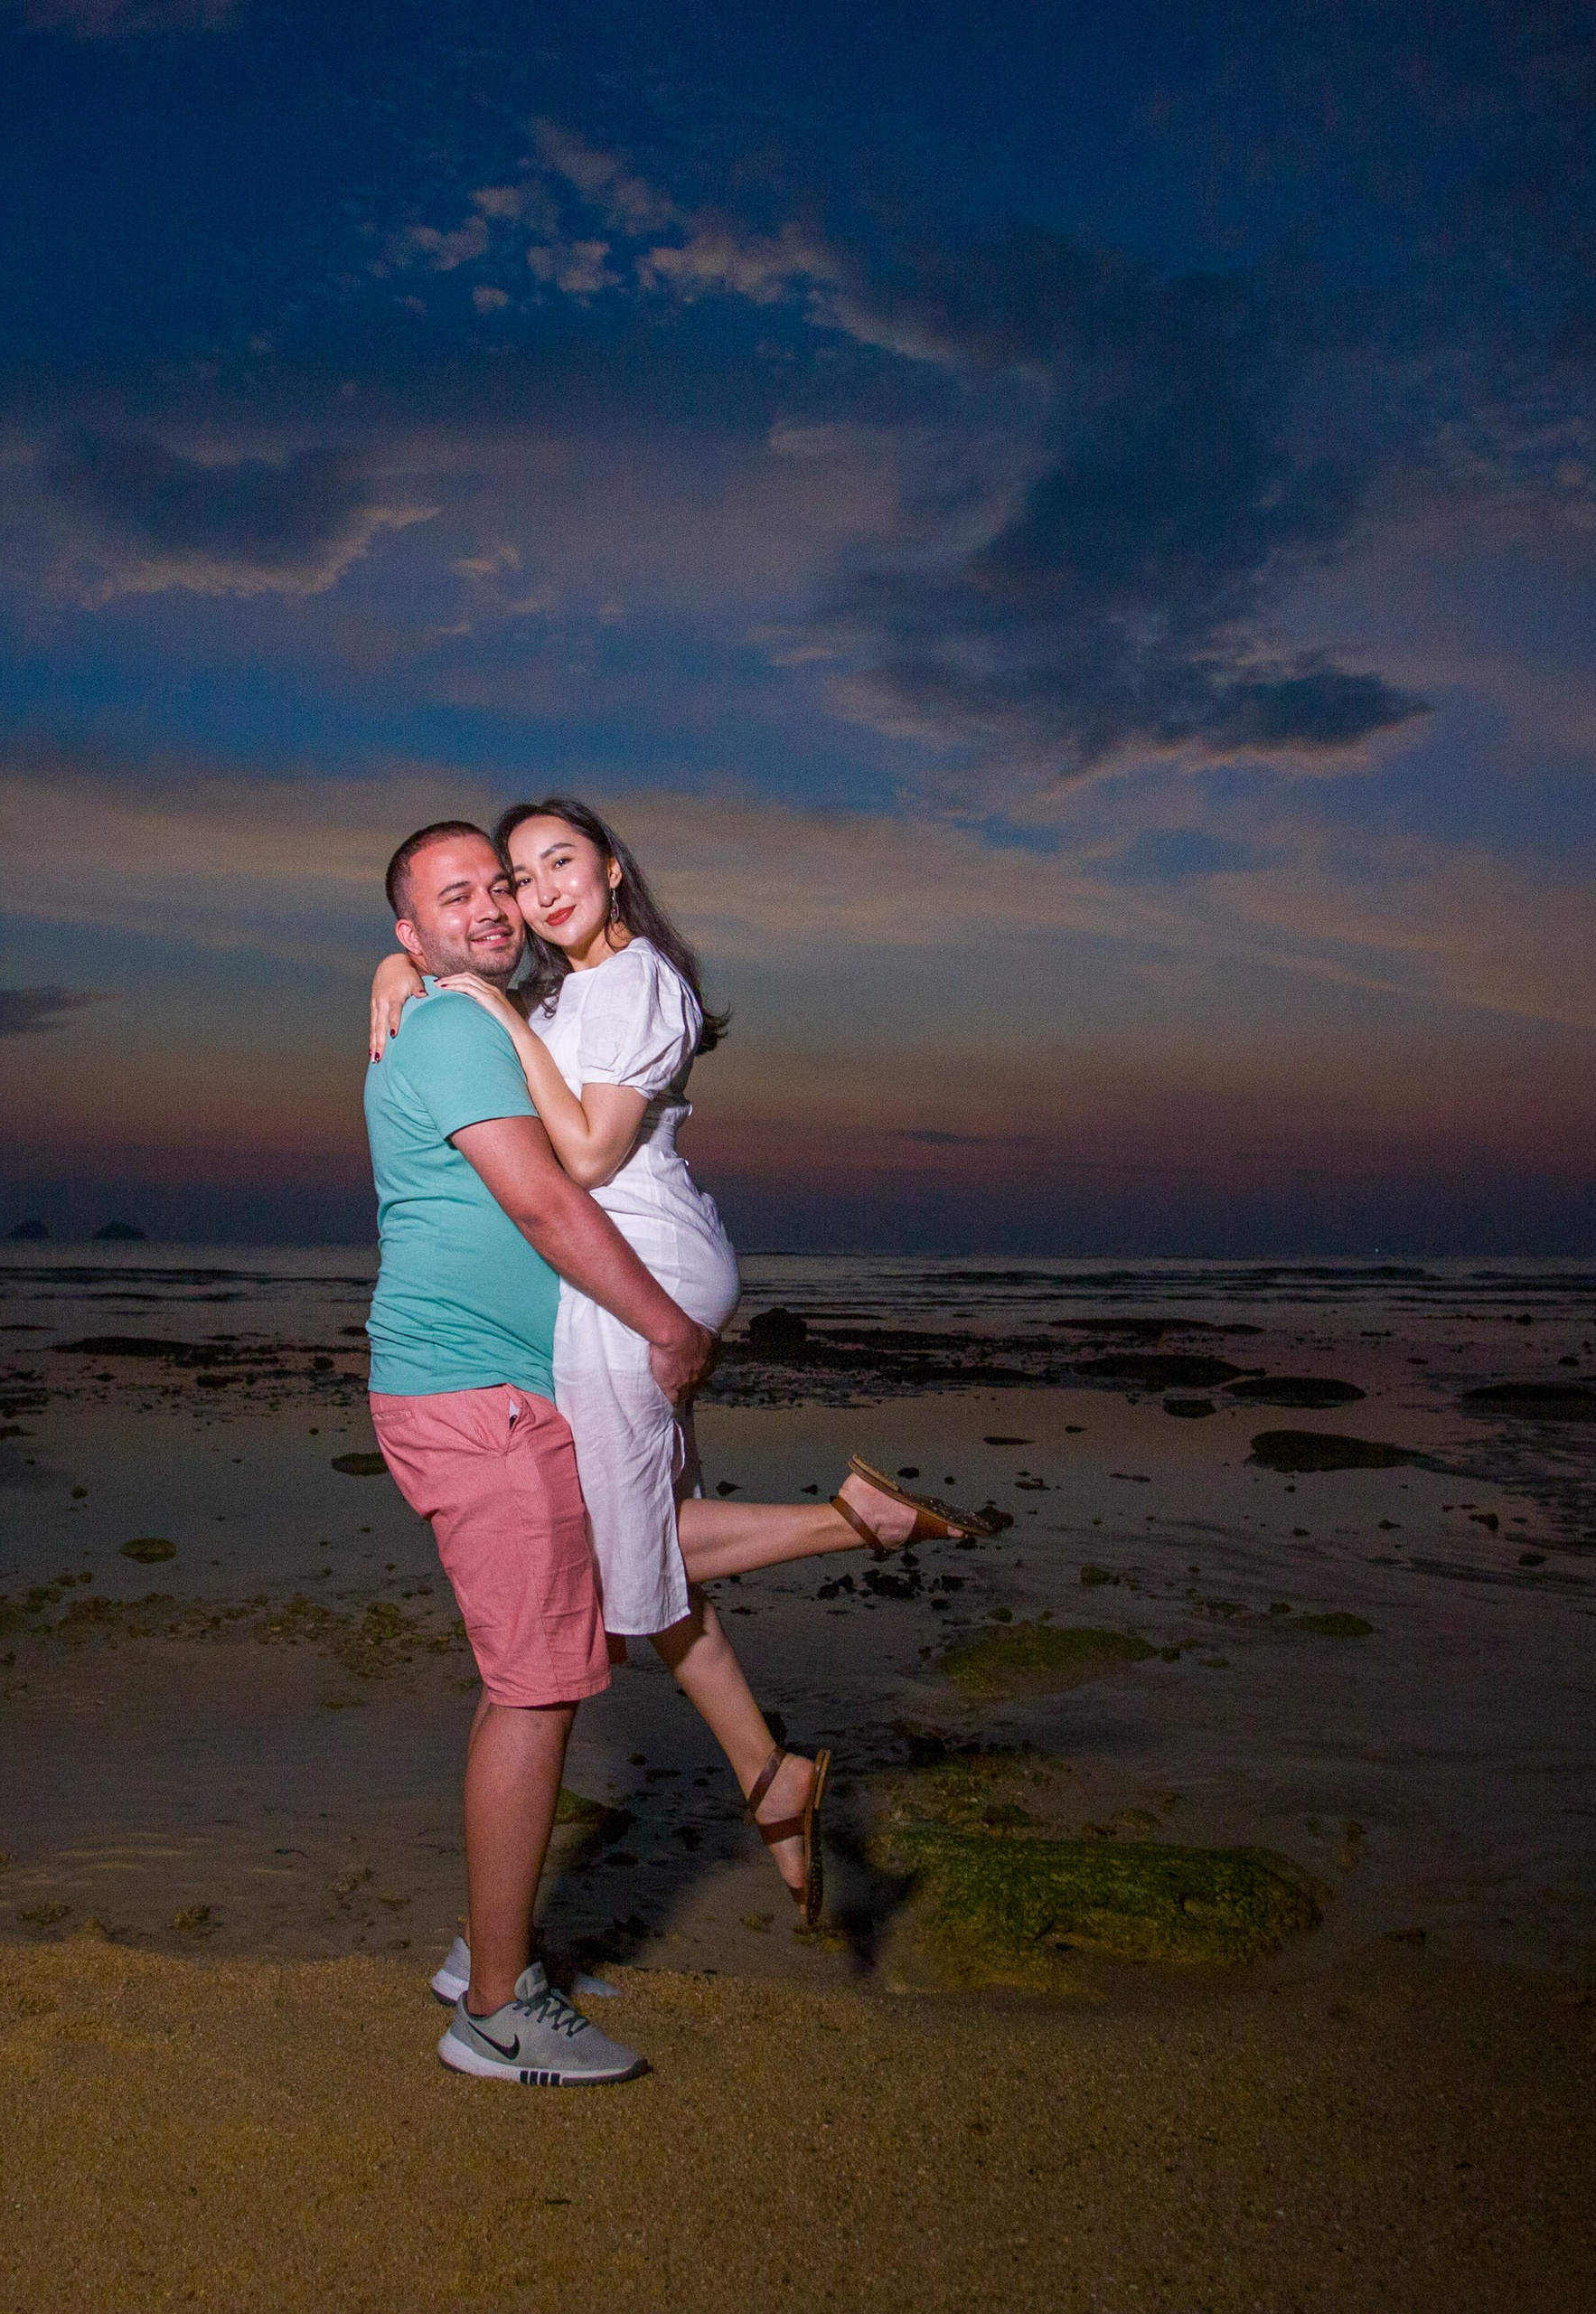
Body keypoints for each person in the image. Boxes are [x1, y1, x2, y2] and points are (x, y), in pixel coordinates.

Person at [370, 797, 987, 1942]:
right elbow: (459, 971)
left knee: (620, 1549)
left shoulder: (638, 981)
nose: (535, 892)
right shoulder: (559, 989)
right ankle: (769, 1775)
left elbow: (585, 1153)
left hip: (638, 1264)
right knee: (640, 1543)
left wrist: (479, 1009)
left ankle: (851, 1523)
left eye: (559, 862)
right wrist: (400, 973)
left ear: (613, 865)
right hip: (629, 1265)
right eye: (515, 878)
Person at [365, 818, 717, 2087]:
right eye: (454, 896)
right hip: (477, 1399)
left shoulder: (466, 1013)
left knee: (530, 1673)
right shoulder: (455, 1028)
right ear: (412, 930)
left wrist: (405, 971)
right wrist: (667, 1325)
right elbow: (544, 1198)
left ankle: (491, 1949)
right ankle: (497, 2013)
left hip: (488, 1393)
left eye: (497, 885)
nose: (491, 907)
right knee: (534, 1689)